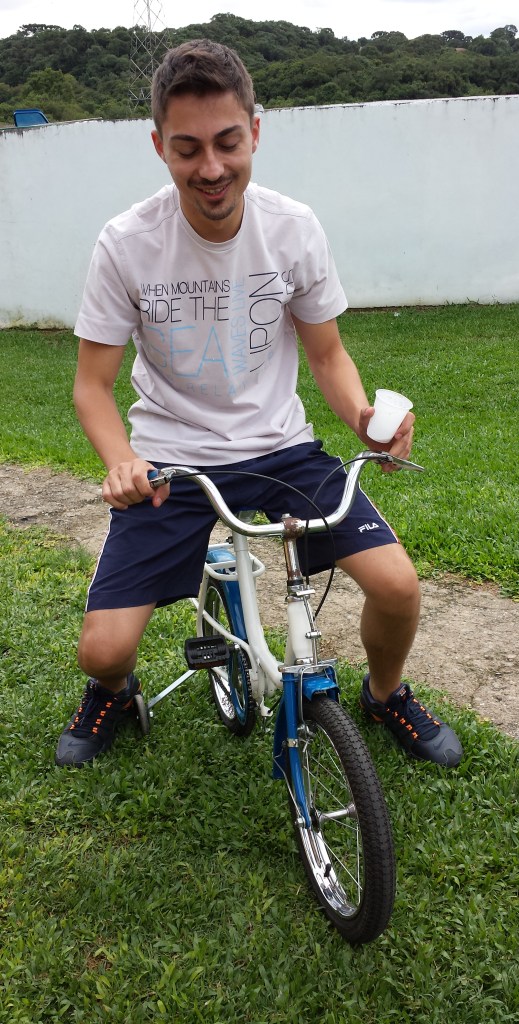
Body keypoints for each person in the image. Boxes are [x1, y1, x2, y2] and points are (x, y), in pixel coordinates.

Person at [55, 39, 462, 769]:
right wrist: (120, 461)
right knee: (103, 651)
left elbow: (327, 355)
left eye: (227, 142)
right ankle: (114, 692)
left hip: (282, 450)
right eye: (187, 149)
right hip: (171, 464)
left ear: (255, 132)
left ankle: (384, 694)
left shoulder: (292, 228)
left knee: (398, 587)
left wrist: (365, 418)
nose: (211, 168)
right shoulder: (126, 244)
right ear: (159, 146)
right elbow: (92, 385)